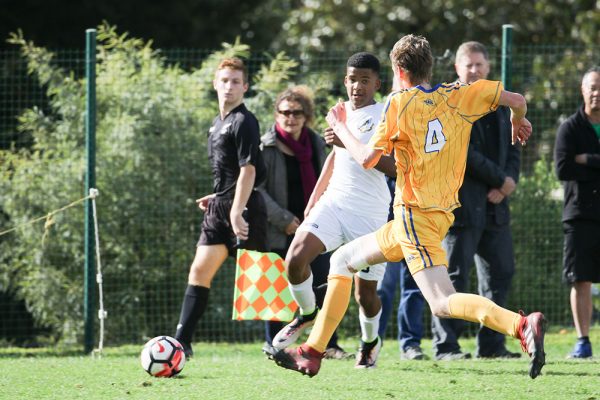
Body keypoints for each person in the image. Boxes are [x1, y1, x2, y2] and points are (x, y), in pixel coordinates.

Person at [273, 34, 547, 380]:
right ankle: (312, 351)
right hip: (434, 217)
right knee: (343, 260)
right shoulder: (461, 93)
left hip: (414, 217)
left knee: (442, 302)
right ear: (429, 66)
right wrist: (515, 120)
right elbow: (518, 100)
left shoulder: (398, 103)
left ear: (397, 70)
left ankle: (521, 325)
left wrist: (340, 125)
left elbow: (368, 158)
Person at [271, 52, 396, 369]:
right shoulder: (339, 114)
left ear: (377, 84)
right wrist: (315, 197)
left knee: (365, 296)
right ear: (345, 80)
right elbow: (334, 159)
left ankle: (370, 342)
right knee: (296, 258)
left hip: (369, 213)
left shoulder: (384, 114)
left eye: (365, 80)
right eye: (353, 79)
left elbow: (374, 158)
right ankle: (308, 313)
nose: (357, 86)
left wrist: (341, 135)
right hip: (335, 202)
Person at [431, 41, 521, 361]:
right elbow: (462, 153)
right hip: (461, 207)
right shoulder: (450, 104)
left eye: (480, 65)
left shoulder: (500, 103)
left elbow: (515, 143)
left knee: (501, 273)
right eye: (468, 65)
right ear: (457, 68)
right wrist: (500, 179)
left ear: (488, 67)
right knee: (453, 277)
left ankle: (492, 346)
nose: (475, 70)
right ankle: (447, 347)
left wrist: (509, 182)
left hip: (496, 206)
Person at [173, 57, 268, 358]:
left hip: (245, 209)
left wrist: (237, 210)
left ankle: (296, 338)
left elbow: (248, 171)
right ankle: (181, 343)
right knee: (199, 271)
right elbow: (228, 174)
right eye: (224, 80)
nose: (229, 86)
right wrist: (217, 198)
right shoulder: (217, 125)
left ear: (245, 87)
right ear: (215, 83)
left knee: (263, 282)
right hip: (220, 209)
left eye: (236, 81)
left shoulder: (244, 121)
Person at [258, 86, 349, 360]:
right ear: (277, 114)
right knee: (275, 286)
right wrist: (284, 220)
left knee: (323, 283)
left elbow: (332, 179)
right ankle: (274, 345)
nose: (291, 117)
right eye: (285, 112)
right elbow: (257, 189)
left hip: (315, 225)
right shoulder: (266, 146)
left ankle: (328, 343)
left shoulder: (318, 144)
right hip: (279, 227)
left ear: (306, 116)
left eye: (297, 112)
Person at [554, 66, 600, 359]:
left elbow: (578, 164)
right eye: (593, 87)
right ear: (583, 91)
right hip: (580, 214)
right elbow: (563, 168)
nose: (597, 93)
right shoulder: (569, 127)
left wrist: (589, 159)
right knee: (580, 278)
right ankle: (583, 341)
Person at [377, 176, 428, 360]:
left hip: (415, 224)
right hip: (386, 228)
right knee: (383, 288)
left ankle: (410, 345)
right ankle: (372, 342)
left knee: (414, 288)